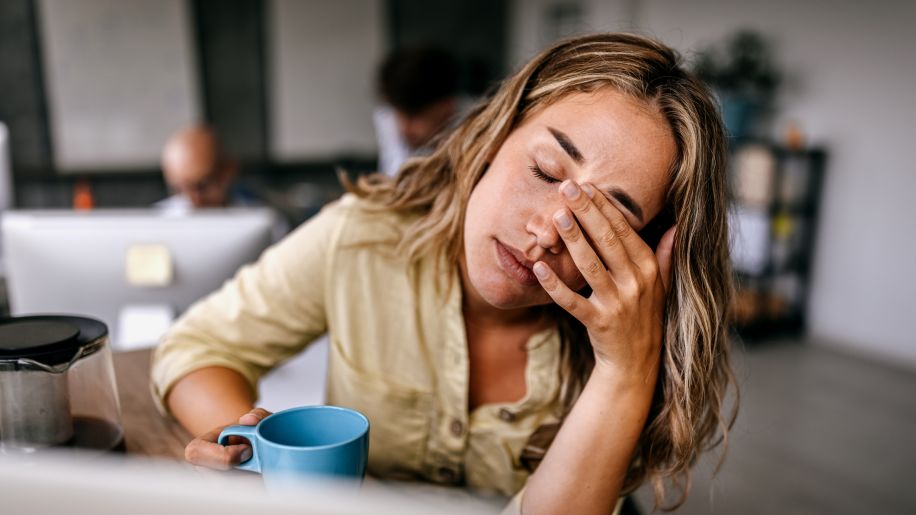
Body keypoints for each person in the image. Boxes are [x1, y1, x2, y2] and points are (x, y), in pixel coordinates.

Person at [152, 33, 736, 515]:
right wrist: (259, 456)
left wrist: (625, 371)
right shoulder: (364, 237)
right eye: (543, 169)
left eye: (603, 221)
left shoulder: (626, 347)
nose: (546, 232)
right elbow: (196, 346)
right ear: (494, 135)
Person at [373, 46, 461, 176]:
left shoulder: (474, 126)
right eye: (399, 115)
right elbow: (395, 179)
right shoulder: (387, 116)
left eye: (414, 116)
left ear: (447, 106)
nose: (405, 129)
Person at [157, 125, 256, 213]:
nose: (193, 201)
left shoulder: (257, 214)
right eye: (180, 189)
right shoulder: (157, 220)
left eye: (202, 186)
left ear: (229, 171)